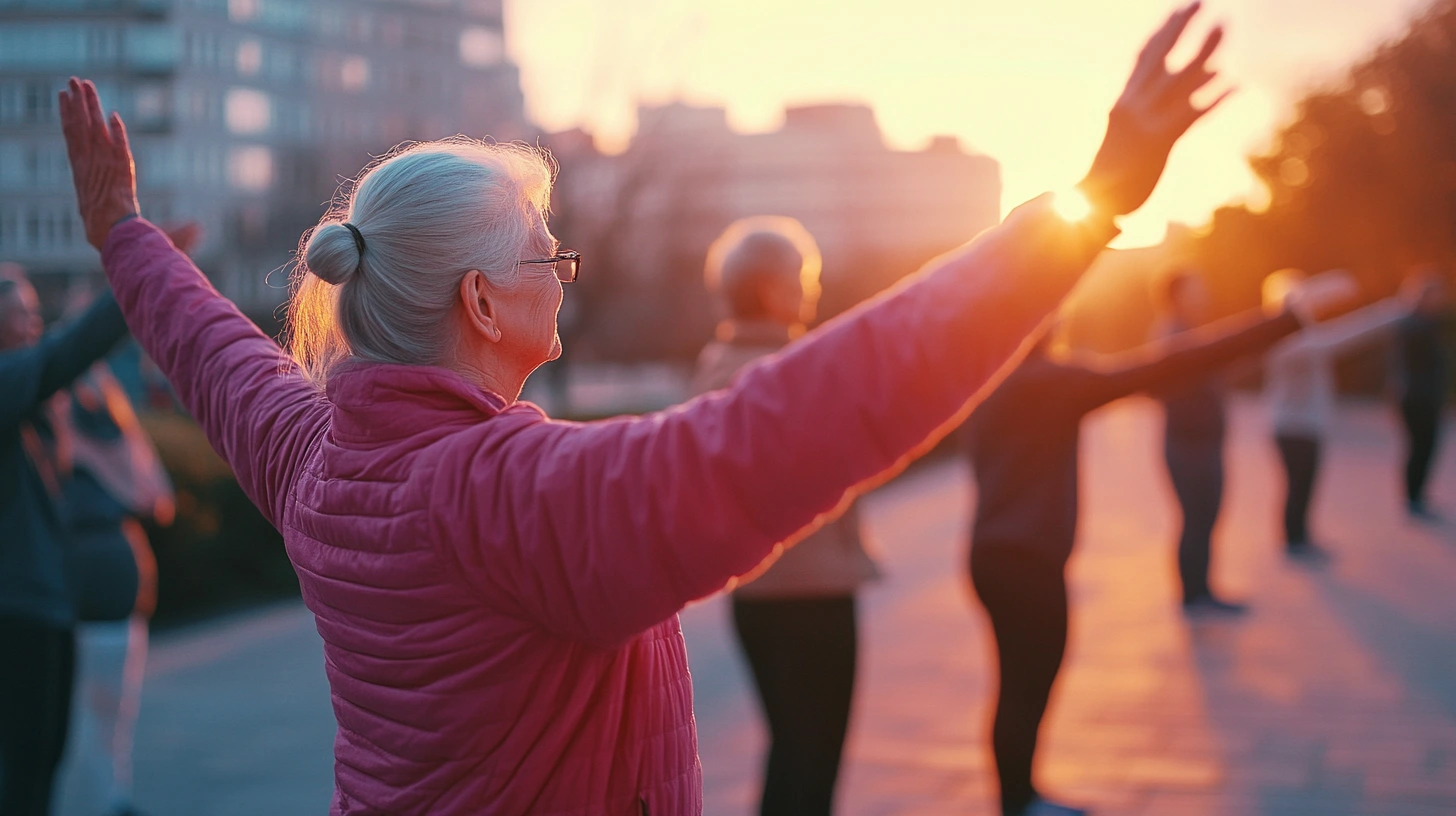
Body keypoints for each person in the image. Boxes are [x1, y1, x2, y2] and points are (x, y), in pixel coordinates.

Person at [58, 5, 1227, 810]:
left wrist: (123, 232)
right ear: (479, 299)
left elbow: (210, 354)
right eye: (541, 252)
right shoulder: (508, 497)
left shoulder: (317, 454)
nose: (561, 267)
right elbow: (798, 420)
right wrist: (1089, 207)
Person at [963, 287, 1346, 816]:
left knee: (1014, 684)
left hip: (988, 555)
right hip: (1030, 560)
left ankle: (1018, 798)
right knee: (1028, 683)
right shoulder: (1049, 383)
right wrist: (1280, 322)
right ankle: (1019, 802)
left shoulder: (988, 384)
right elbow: (1168, 366)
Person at [691, 217, 879, 816]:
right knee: (814, 759)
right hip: (815, 592)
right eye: (804, 278)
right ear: (772, 289)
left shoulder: (713, 369)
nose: (812, 291)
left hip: (753, 597)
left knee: (790, 748)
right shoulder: (800, 371)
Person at [0, 265, 128, 816]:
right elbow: (64, 352)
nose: (34, 321)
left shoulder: (26, 403)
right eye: (20, 312)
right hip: (17, 612)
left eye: (34, 310)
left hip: (46, 607)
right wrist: (134, 279)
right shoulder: (8, 384)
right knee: (21, 771)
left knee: (41, 765)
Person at [58, 349, 176, 816]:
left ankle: (109, 799)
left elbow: (158, 500)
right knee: (97, 717)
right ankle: (105, 799)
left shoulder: (93, 435)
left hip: (112, 595)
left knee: (103, 715)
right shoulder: (69, 440)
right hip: (89, 595)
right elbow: (157, 501)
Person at [1263, 269, 1414, 559]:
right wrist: (1387, 312)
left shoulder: (1302, 335)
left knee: (1305, 486)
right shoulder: (1287, 342)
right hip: (1292, 428)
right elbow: (1342, 338)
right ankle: (1293, 541)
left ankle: (1300, 537)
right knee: (1298, 487)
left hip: (1304, 425)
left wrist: (1336, 287)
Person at [1151, 268, 1249, 613]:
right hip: (1188, 443)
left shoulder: (1192, 331)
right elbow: (1171, 393)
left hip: (1202, 441)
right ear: (1177, 295)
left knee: (1203, 518)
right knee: (1196, 517)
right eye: (1196, 289)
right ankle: (1193, 596)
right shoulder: (1173, 335)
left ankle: (1201, 590)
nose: (1204, 295)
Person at [1393, 266, 1450, 520]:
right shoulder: (1417, 325)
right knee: (1422, 447)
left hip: (1417, 394)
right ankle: (1413, 498)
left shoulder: (1416, 323)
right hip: (1419, 396)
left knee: (1420, 447)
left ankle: (1415, 496)